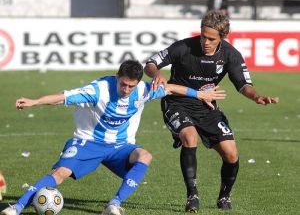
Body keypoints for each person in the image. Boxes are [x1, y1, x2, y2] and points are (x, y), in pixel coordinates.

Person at [1, 59, 226, 215]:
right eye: (123, 84)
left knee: (145, 155)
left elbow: (173, 88)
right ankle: (18, 207)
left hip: (120, 147)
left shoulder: (142, 90)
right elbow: (62, 97)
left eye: (131, 86)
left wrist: (200, 94)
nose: (126, 90)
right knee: (60, 174)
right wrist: (34, 102)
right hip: (88, 142)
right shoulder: (98, 89)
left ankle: (114, 204)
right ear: (117, 77)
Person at [144, 10, 279, 212]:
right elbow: (151, 63)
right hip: (177, 102)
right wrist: (157, 75)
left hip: (207, 106)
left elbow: (243, 84)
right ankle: (192, 195)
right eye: (202, 36)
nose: (205, 42)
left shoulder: (230, 54)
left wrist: (256, 97)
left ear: (222, 37)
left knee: (231, 153)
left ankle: (224, 197)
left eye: (211, 38)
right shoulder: (183, 47)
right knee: (190, 137)